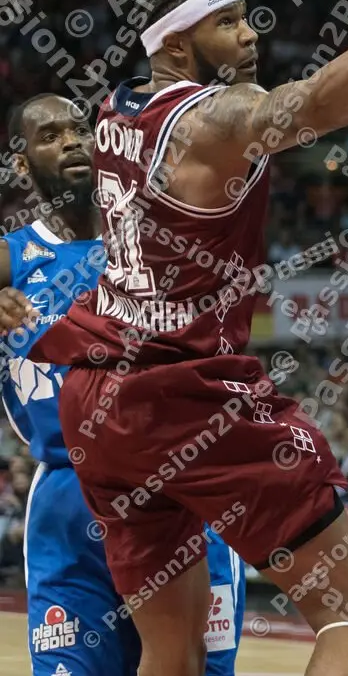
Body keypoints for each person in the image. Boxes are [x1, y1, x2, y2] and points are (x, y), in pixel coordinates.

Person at [23, 0, 348, 675]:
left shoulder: (116, 109)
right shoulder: (213, 118)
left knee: (172, 649)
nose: (249, 35)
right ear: (176, 43)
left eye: (246, 19)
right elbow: (311, 108)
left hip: (99, 402)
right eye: (226, 23)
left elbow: (307, 93)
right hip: (186, 392)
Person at [0, 94, 245, 676]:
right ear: (20, 162)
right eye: (50, 134)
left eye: (79, 129)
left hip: (180, 481)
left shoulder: (158, 238)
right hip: (70, 493)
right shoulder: (12, 258)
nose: (70, 142)